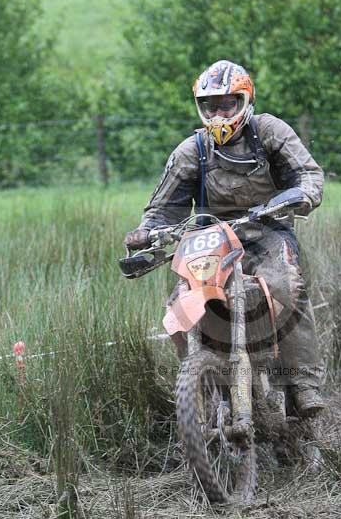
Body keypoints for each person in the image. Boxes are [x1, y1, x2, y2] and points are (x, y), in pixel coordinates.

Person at [124, 60, 325, 415]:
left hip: (267, 229)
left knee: (285, 285)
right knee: (183, 302)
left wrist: (300, 195)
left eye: (226, 104)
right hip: (210, 239)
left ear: (244, 101)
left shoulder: (269, 132)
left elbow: (308, 174)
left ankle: (300, 381)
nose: (218, 113)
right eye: (209, 105)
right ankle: (201, 380)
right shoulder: (192, 151)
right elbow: (162, 208)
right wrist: (148, 233)